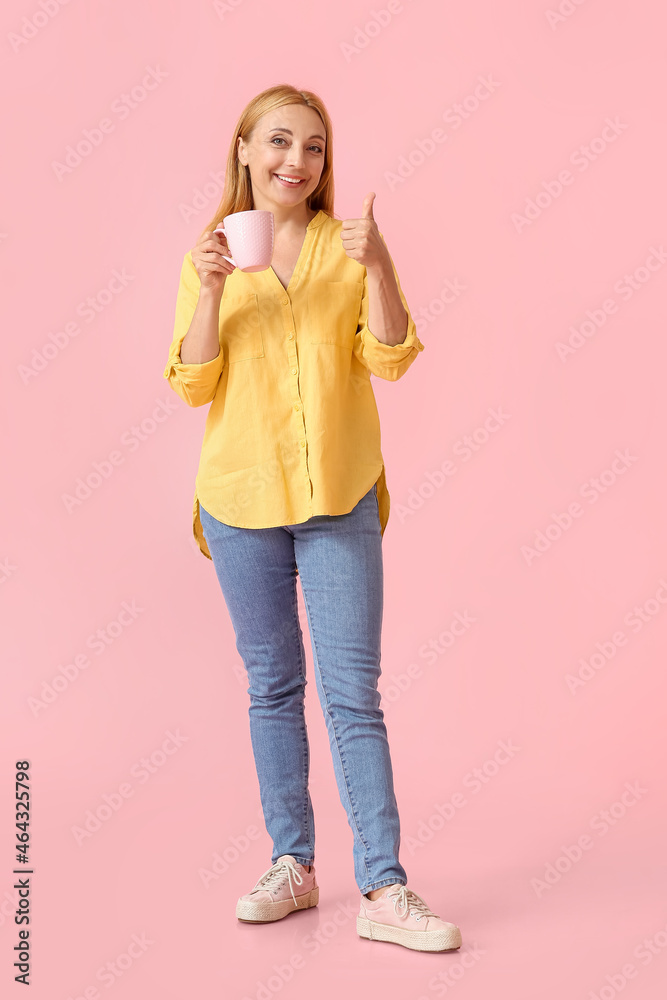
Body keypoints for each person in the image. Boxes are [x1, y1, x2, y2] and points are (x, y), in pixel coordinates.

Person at [163, 83, 461, 953]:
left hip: (337, 499)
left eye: (316, 148)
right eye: (281, 143)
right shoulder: (208, 255)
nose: (298, 161)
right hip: (239, 502)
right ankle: (292, 865)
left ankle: (384, 886)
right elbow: (190, 383)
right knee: (271, 688)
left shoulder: (343, 248)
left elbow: (392, 358)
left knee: (350, 696)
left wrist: (382, 267)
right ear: (247, 152)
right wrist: (212, 291)